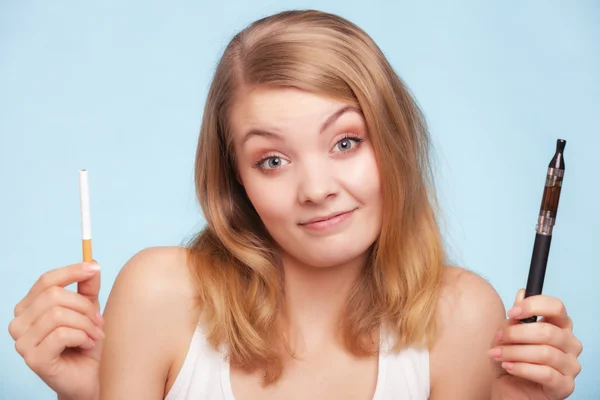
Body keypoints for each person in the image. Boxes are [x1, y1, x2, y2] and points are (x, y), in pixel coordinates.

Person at [8, 9, 582, 400]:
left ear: (394, 142)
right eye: (272, 161)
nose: (316, 188)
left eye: (345, 143)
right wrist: (87, 392)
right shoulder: (160, 294)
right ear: (236, 180)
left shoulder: (461, 316)